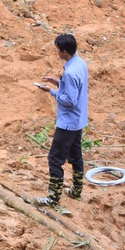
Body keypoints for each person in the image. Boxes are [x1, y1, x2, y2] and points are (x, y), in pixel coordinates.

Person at [35, 34, 89, 208]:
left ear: (64, 51)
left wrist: (51, 91)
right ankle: (76, 190)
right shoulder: (80, 63)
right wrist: (58, 82)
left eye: (57, 49)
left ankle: (53, 198)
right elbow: (75, 89)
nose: (56, 52)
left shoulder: (71, 72)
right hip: (79, 120)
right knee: (76, 155)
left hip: (68, 122)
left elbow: (70, 100)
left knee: (55, 159)